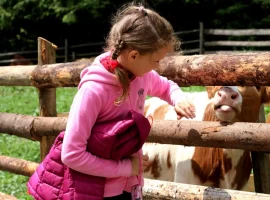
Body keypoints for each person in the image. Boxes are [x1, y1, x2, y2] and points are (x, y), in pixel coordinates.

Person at [61, 1, 196, 200]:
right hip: (97, 192)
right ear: (134, 55)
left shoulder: (141, 75)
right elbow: (71, 155)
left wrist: (178, 99)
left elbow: (166, 86)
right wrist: (127, 167)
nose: (157, 67)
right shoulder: (94, 91)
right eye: (156, 61)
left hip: (130, 187)